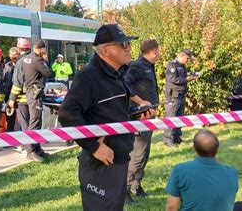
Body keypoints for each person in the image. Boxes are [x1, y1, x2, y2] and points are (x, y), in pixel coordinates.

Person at [58, 24, 153, 210]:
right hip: (100, 164)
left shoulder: (116, 74)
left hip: (119, 159)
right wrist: (93, 146)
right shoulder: (89, 76)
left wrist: (136, 116)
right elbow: (67, 114)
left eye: (128, 43)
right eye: (123, 44)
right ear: (106, 50)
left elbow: (112, 113)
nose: (128, 48)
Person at [123, 39, 161, 203]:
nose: (160, 53)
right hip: (139, 118)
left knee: (144, 154)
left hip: (148, 117)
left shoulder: (148, 65)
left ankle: (136, 185)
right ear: (153, 51)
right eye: (158, 50)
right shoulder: (137, 66)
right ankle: (124, 190)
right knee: (137, 155)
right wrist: (140, 102)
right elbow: (125, 84)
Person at [165, 130, 238, 211]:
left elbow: (171, 207)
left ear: (194, 149)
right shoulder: (232, 172)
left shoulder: (180, 170)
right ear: (217, 150)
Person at [21, 40, 53, 162]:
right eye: (44, 50)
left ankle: (38, 149)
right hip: (35, 93)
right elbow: (49, 73)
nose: (45, 52)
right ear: (40, 49)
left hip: (29, 91)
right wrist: (45, 59)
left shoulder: (26, 59)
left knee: (35, 121)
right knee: (35, 121)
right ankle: (31, 151)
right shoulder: (38, 60)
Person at [164, 49, 199, 146]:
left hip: (181, 94)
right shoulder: (172, 65)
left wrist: (190, 77)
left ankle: (177, 137)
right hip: (173, 95)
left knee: (179, 117)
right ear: (182, 56)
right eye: (187, 59)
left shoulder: (182, 66)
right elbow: (172, 79)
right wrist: (186, 79)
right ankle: (168, 139)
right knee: (171, 117)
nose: (188, 61)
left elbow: (182, 79)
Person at [7, 38, 31, 153]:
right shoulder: (34, 59)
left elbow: (17, 83)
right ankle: (33, 146)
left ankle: (27, 146)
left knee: (24, 122)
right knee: (31, 122)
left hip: (21, 99)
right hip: (32, 98)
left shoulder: (20, 62)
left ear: (20, 49)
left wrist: (11, 99)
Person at [3, 47, 19, 132]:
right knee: (10, 116)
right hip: (8, 94)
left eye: (15, 54)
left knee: (20, 116)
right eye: (12, 54)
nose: (13, 56)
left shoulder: (20, 64)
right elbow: (4, 78)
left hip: (19, 95)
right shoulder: (7, 65)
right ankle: (10, 133)